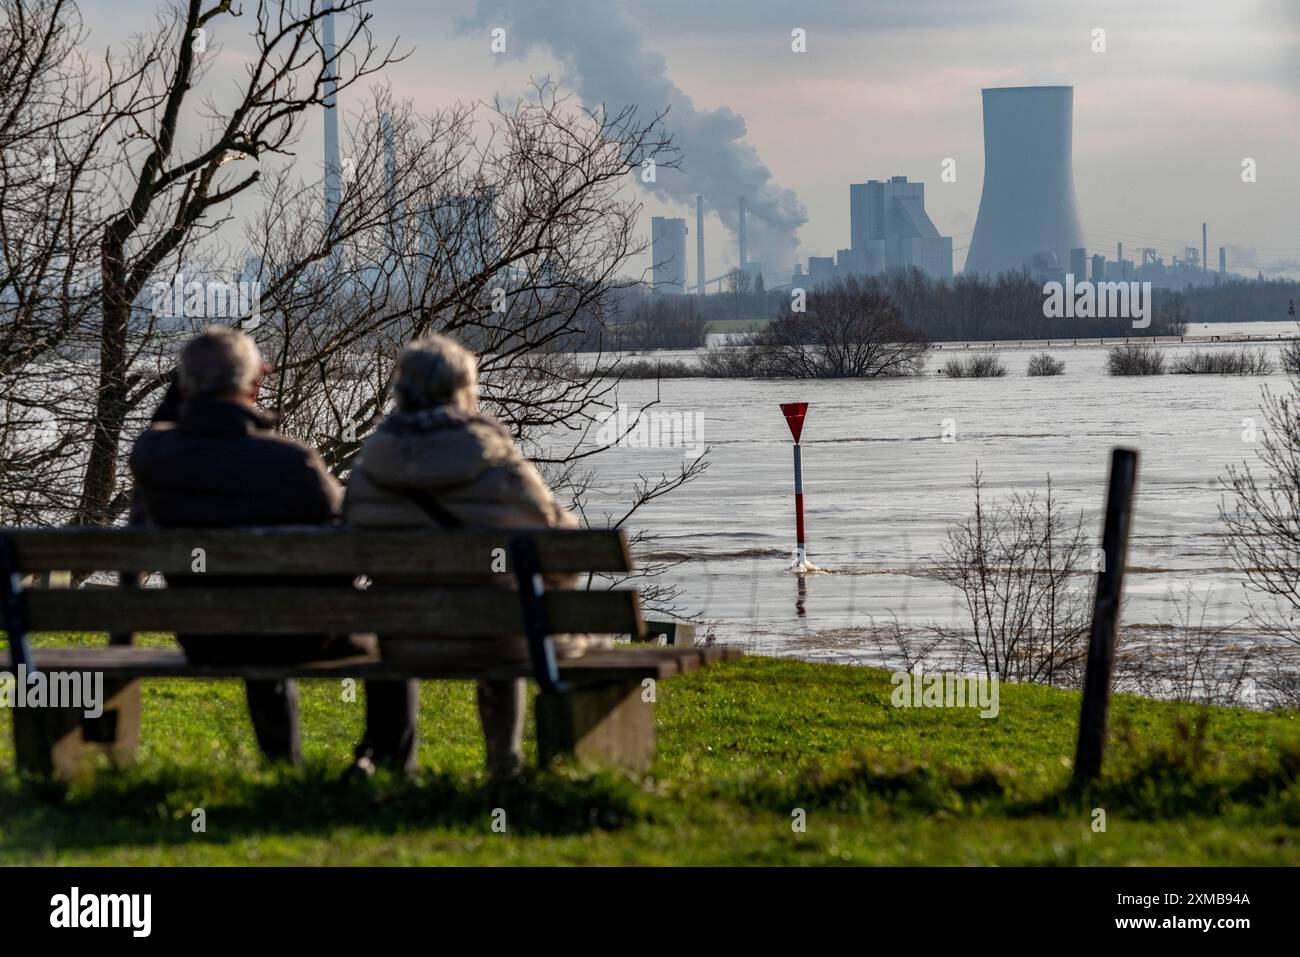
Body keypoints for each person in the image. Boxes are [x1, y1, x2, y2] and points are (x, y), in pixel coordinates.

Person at [130, 325, 417, 775]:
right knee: (392, 629)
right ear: (255, 384)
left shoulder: (153, 455)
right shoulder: (291, 461)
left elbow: (162, 425)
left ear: (183, 388)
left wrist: (190, 382)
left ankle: (284, 767)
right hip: (304, 632)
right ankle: (387, 764)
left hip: (207, 636)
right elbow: (353, 539)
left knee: (253, 617)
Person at [343, 333, 577, 779]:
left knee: (413, 608)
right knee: (510, 612)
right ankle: (504, 767)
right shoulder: (495, 458)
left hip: (399, 637)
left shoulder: (370, 465)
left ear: (400, 391)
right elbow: (559, 547)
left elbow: (352, 546)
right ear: (464, 390)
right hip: (495, 635)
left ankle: (394, 769)